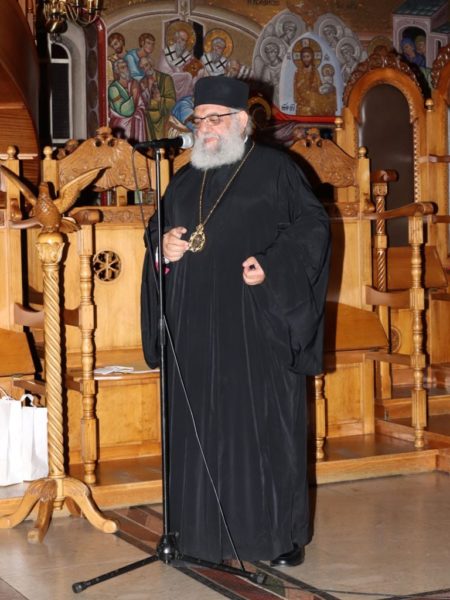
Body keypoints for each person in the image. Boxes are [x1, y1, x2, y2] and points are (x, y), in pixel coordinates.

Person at [141, 76, 330, 565]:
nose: (203, 127)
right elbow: (156, 231)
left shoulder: (277, 170)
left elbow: (312, 227)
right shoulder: (185, 178)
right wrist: (162, 247)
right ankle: (198, 533)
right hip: (195, 326)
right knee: (199, 429)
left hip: (254, 322)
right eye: (198, 119)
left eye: (214, 118)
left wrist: (272, 265)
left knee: (262, 430)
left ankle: (278, 537)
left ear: (242, 121)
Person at [138, 55, 176, 140]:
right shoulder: (142, 82)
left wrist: (159, 100)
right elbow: (142, 102)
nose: (145, 69)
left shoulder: (166, 79)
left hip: (163, 119)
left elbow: (172, 101)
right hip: (148, 121)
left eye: (146, 65)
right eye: (142, 68)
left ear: (151, 64)